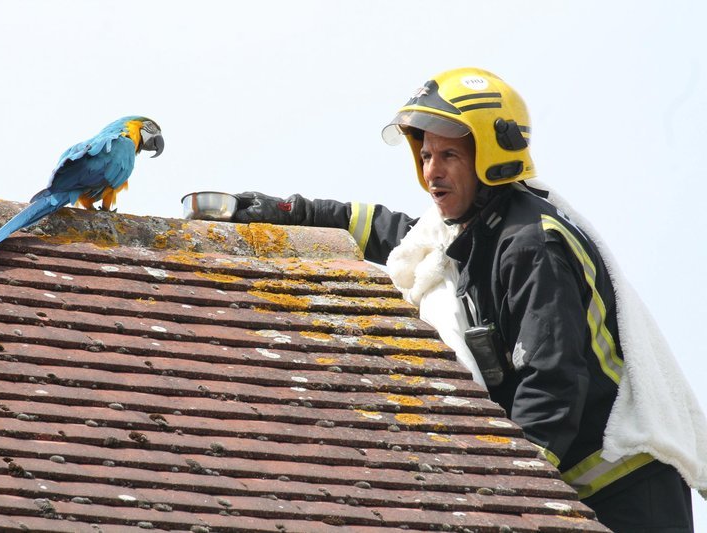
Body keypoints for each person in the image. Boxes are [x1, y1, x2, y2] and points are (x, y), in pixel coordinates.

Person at [232, 67, 706, 532]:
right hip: (576, 483)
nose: (431, 172)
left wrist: (510, 492)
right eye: (425, 156)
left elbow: (552, 379)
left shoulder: (530, 246)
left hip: (626, 494)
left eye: (449, 156)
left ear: (489, 157)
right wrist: (294, 213)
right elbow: (396, 235)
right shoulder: (473, 231)